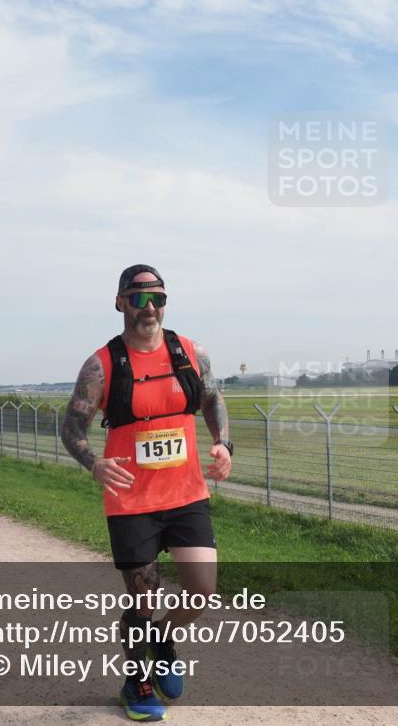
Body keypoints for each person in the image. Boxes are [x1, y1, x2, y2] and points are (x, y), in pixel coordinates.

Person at [62, 264, 232, 722]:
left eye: (157, 297)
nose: (148, 307)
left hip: (186, 495)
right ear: (120, 303)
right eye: (137, 299)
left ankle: (161, 641)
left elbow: (213, 398)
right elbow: (72, 425)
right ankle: (136, 680)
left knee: (202, 590)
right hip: (131, 502)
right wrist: (93, 462)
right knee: (144, 598)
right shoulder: (102, 364)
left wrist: (222, 442)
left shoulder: (190, 353)